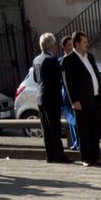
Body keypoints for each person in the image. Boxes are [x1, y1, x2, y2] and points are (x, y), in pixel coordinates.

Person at [61, 31, 101, 167]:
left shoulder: (90, 57)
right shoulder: (69, 60)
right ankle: (86, 158)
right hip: (82, 102)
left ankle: (95, 157)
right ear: (77, 44)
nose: (87, 44)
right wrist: (74, 100)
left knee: (95, 130)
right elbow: (69, 82)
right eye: (85, 42)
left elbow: (95, 75)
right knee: (84, 131)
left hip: (96, 99)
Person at [32, 33, 70, 163]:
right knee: (55, 127)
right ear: (52, 45)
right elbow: (59, 78)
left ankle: (50, 155)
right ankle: (59, 155)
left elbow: (36, 79)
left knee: (46, 128)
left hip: (41, 97)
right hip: (52, 97)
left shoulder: (36, 59)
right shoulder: (52, 59)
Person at [59, 36, 78, 151]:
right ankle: (75, 142)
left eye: (72, 44)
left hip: (74, 94)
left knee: (76, 120)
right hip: (66, 94)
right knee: (71, 120)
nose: (71, 47)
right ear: (64, 48)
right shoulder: (61, 61)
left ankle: (78, 142)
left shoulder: (76, 59)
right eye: (69, 45)